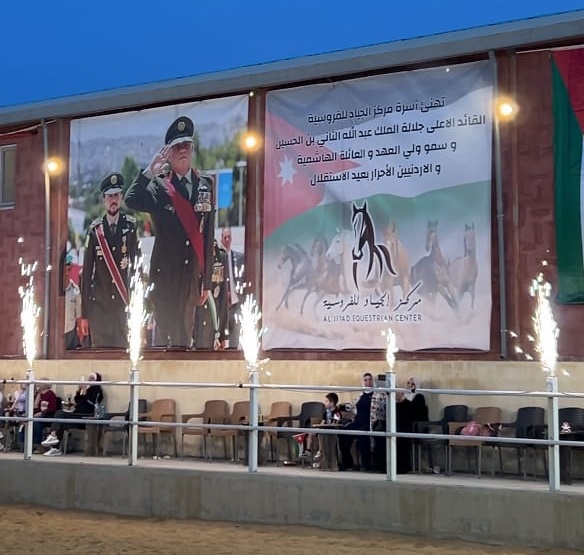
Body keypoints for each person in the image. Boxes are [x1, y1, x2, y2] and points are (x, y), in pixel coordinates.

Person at [125, 116, 215, 347]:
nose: (183, 150)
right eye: (177, 147)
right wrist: (149, 171)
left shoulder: (205, 184)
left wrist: (206, 281)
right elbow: (131, 200)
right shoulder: (159, 185)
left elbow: (208, 234)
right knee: (163, 337)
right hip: (165, 274)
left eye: (187, 145)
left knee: (184, 337)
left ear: (192, 149)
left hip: (190, 275)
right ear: (169, 153)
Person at [79, 173, 139, 348]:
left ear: (121, 197)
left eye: (116, 195)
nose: (113, 200)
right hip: (100, 310)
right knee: (100, 357)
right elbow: (86, 274)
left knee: (124, 356)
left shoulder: (130, 227)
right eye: (110, 196)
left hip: (123, 308)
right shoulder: (95, 231)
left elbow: (137, 268)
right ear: (104, 199)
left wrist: (137, 305)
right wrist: (84, 314)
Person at [41, 373, 104, 457]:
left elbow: (92, 403)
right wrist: (79, 391)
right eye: (89, 378)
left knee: (60, 413)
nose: (89, 380)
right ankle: (55, 448)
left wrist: (85, 392)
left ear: (97, 380)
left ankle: (52, 436)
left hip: (86, 416)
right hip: (77, 414)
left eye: (92, 378)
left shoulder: (98, 391)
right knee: (60, 422)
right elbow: (78, 401)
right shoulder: (87, 389)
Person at [193, 239, 229, 350]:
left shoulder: (220, 256)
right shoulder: (191, 251)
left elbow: (222, 297)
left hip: (212, 324)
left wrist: (223, 334)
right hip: (193, 321)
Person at [338, 372, 376, 471]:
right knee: (343, 433)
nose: (368, 382)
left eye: (370, 380)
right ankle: (347, 462)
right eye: (365, 380)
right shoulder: (360, 396)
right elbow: (351, 407)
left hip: (370, 423)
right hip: (358, 422)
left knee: (362, 435)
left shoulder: (377, 395)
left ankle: (366, 464)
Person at [220, 227, 245, 348]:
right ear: (221, 239)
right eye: (225, 237)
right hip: (222, 307)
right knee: (222, 341)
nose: (227, 240)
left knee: (234, 341)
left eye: (229, 237)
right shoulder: (217, 258)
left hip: (236, 304)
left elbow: (244, 278)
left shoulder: (239, 258)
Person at [63, 254, 82, 350]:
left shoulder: (75, 290)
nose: (67, 269)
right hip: (53, 332)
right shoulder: (51, 289)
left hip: (70, 334)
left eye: (69, 266)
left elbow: (79, 316)